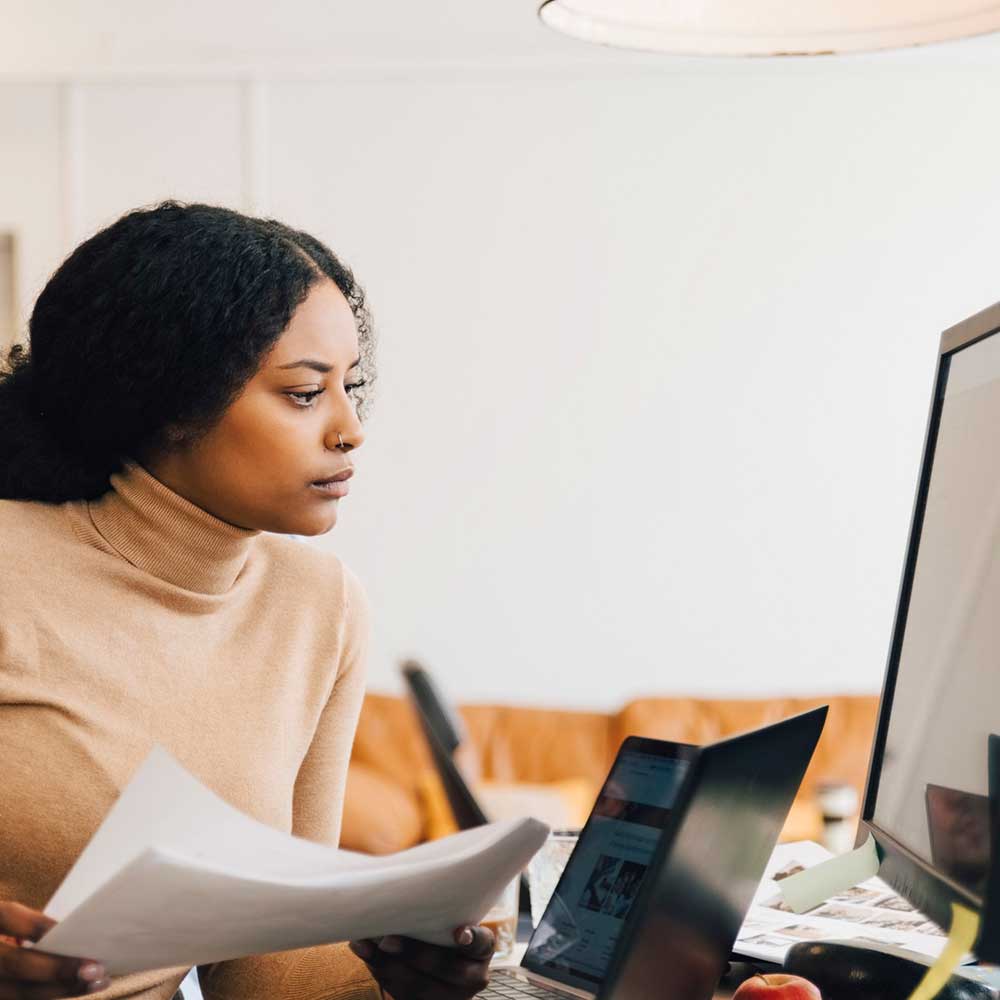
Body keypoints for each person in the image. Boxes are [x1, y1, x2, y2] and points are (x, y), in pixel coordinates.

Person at [0, 202, 495, 1000]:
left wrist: (399, 974)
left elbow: (263, 970)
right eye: (304, 393)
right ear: (169, 401)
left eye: (350, 386)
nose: (349, 430)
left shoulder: (319, 606)